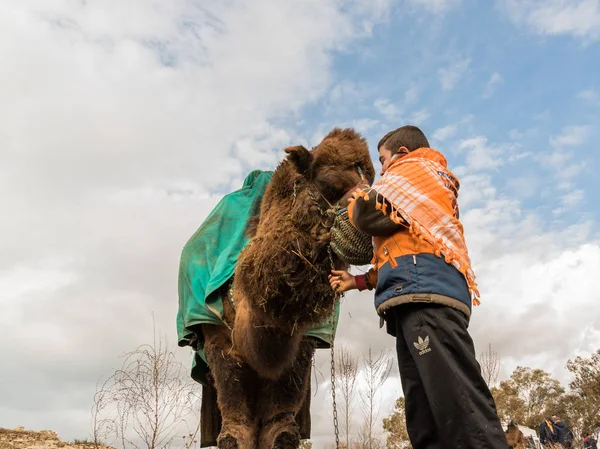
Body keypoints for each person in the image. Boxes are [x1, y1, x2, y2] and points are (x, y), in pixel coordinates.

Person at [329, 125, 508, 448]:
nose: (381, 170)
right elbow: (398, 252)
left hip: (426, 297)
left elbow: (372, 214)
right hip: (414, 297)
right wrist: (356, 281)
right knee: (424, 412)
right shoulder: (415, 192)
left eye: (382, 160)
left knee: (458, 402)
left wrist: (354, 196)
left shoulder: (415, 170)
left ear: (402, 153)